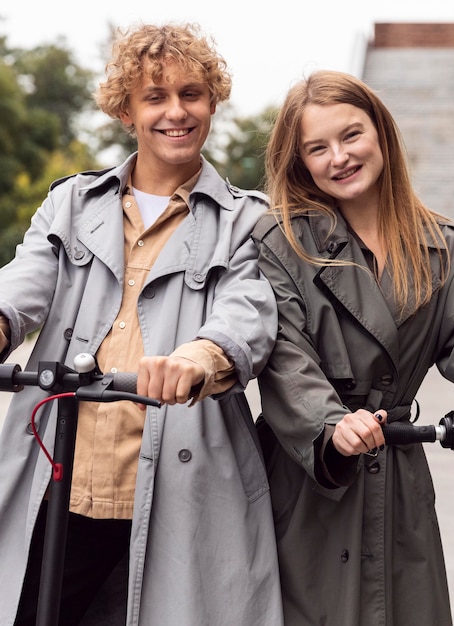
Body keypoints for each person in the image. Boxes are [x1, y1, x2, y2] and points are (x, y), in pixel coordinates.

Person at [0, 22, 283, 626]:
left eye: (191, 93)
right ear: (126, 110)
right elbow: (24, 282)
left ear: (213, 101)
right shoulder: (73, 203)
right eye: (155, 97)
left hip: (180, 485)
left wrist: (200, 358)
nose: (175, 112)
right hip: (62, 477)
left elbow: (248, 312)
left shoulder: (248, 222)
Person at [252, 69, 454, 626]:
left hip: (399, 481)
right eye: (317, 148)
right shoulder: (281, 242)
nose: (339, 156)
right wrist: (331, 425)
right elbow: (285, 359)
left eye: (351, 135)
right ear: (301, 162)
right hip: (312, 478)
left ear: (381, 134)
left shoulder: (444, 249)